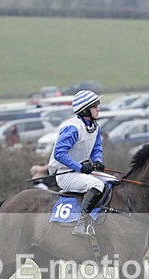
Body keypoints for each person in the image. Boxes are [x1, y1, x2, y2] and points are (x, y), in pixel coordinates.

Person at [48, 90, 106, 237]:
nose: (98, 109)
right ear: (85, 110)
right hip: (65, 174)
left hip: (80, 172)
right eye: (95, 106)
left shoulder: (95, 127)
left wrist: (98, 161)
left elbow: (97, 148)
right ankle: (81, 224)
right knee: (97, 185)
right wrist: (80, 167)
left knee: (113, 181)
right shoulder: (72, 128)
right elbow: (59, 153)